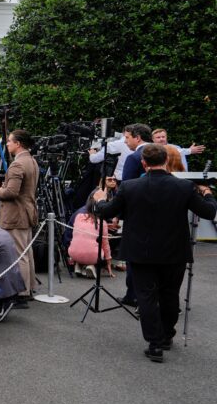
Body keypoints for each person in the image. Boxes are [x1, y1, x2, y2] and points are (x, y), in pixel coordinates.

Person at [93, 144, 217, 362]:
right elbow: (208, 212)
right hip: (174, 251)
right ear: (166, 161)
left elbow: (106, 212)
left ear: (144, 163)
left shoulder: (130, 186)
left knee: (146, 296)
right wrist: (207, 193)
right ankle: (166, 335)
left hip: (141, 251)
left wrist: (100, 198)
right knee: (170, 294)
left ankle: (155, 343)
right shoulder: (184, 187)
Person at [0, 129, 39, 304]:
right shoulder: (32, 161)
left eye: (9, 141)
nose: (7, 144)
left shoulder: (18, 164)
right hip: (27, 212)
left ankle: (22, 292)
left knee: (19, 254)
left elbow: (11, 192)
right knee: (26, 252)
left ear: (18, 144)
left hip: (16, 214)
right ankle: (29, 287)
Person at [66, 190, 114, 278]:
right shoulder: (102, 222)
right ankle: (91, 265)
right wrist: (109, 264)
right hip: (93, 256)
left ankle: (79, 264)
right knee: (102, 247)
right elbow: (106, 245)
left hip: (72, 253)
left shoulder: (78, 216)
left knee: (83, 241)